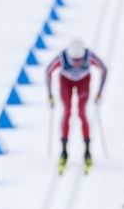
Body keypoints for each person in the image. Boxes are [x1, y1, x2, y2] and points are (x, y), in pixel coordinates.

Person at [46, 38, 107, 171]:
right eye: (74, 60)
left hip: (84, 82)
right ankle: (63, 150)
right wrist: (50, 94)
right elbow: (48, 71)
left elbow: (103, 69)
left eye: (79, 60)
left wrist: (100, 92)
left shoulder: (89, 56)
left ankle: (87, 150)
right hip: (65, 82)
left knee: (81, 112)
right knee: (67, 112)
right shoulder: (62, 57)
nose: (77, 64)